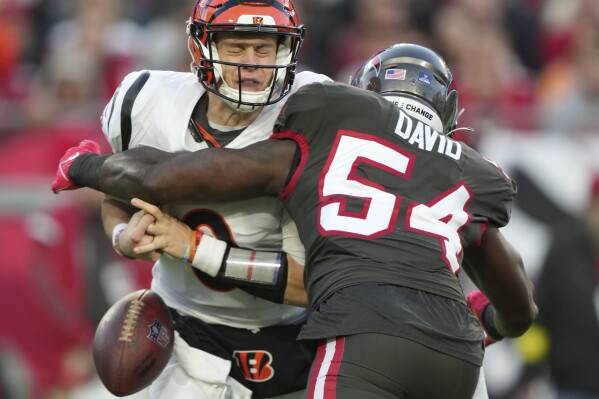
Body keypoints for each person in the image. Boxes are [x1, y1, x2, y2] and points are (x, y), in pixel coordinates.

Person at [53, 43, 537, 398]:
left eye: (263, 47)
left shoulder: (324, 118)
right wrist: (490, 320)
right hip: (457, 352)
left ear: (362, 95)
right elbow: (518, 302)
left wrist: (83, 167)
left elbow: (162, 178)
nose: (251, 62)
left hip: (355, 335)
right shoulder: (465, 167)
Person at [53, 0, 332, 398]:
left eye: (265, 47)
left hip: (290, 340)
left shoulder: (313, 110)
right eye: (236, 47)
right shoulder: (147, 101)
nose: (252, 62)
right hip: (181, 332)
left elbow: (310, 284)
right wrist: (123, 237)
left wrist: (193, 248)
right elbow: (118, 197)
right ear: (202, 47)